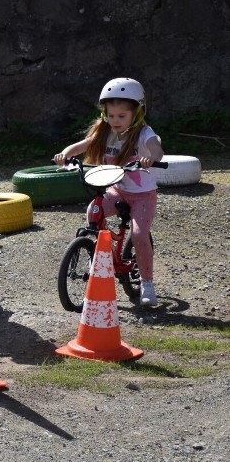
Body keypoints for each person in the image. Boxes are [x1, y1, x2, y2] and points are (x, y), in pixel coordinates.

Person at [53, 77, 165, 306]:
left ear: (137, 113)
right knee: (93, 212)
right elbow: (82, 145)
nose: (115, 120)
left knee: (139, 235)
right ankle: (104, 254)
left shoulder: (144, 133)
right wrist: (64, 154)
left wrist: (150, 158)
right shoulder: (106, 133)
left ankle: (147, 283)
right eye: (110, 115)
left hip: (143, 194)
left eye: (121, 116)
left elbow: (157, 150)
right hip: (118, 189)